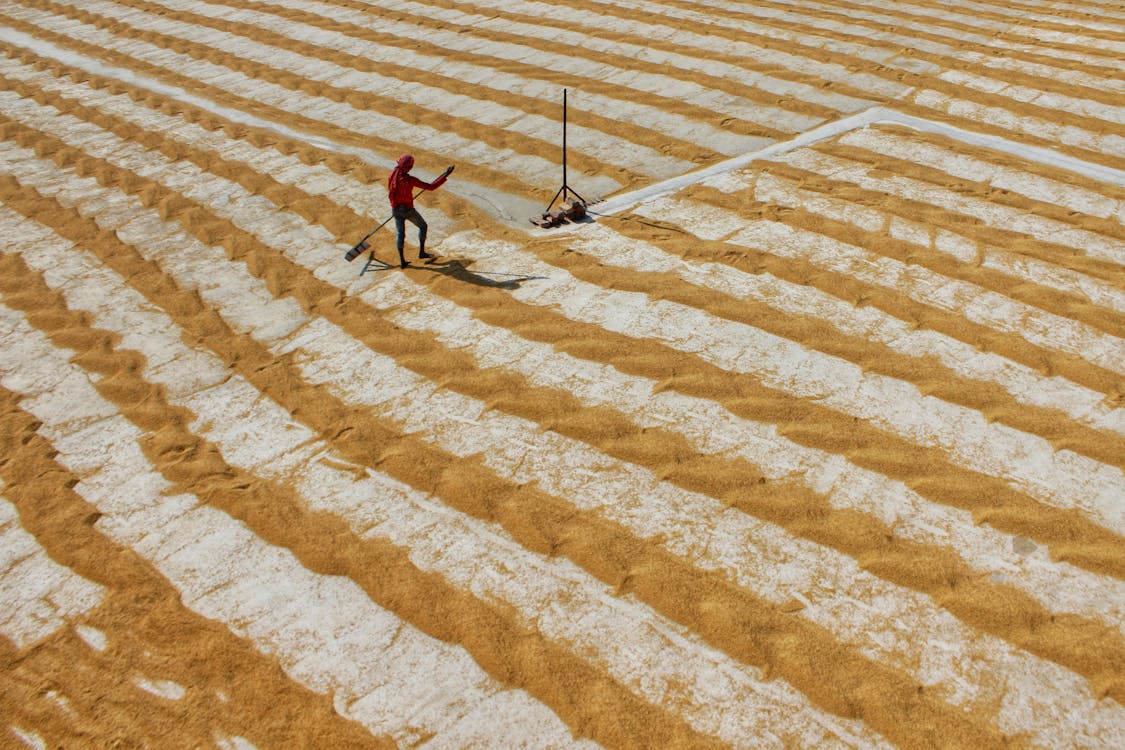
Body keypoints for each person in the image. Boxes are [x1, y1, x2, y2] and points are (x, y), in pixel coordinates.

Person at [387, 154, 452, 268]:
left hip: (396, 210)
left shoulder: (392, 175)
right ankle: (421, 252)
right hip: (408, 210)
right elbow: (431, 187)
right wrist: (445, 175)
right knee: (423, 226)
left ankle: (402, 261)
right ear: (409, 167)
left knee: (400, 234)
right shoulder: (410, 180)